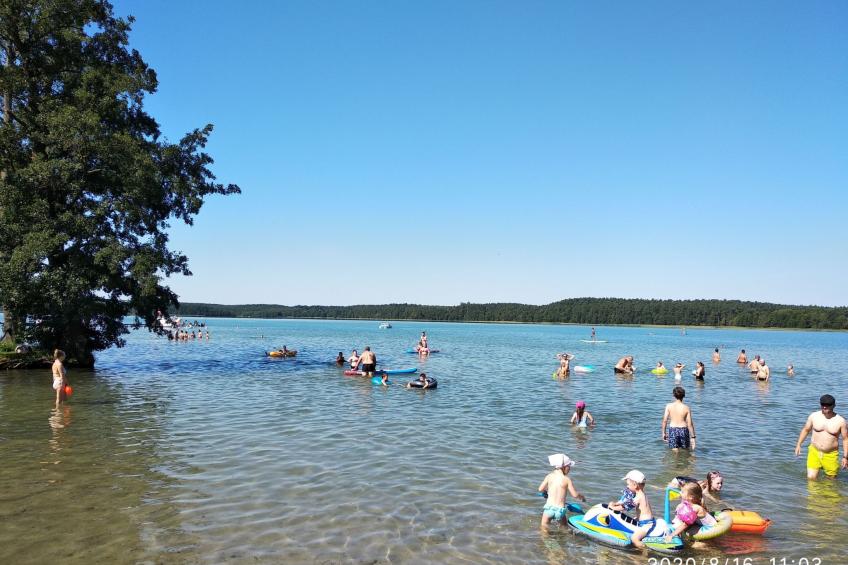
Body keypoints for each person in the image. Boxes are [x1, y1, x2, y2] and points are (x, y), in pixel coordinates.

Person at [794, 394, 848, 480]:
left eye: (828, 405)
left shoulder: (841, 421)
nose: (825, 407)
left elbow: (845, 439)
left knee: (830, 482)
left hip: (831, 454)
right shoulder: (814, 416)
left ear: (834, 405)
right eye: (823, 405)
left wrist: (845, 457)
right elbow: (806, 430)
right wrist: (798, 444)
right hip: (814, 452)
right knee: (811, 479)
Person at [608, 470, 654, 548]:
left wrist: (613, 507)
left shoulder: (639, 497)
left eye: (628, 485)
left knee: (634, 538)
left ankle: (644, 552)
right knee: (632, 520)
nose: (627, 487)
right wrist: (616, 503)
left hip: (646, 525)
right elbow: (626, 501)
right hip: (644, 521)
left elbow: (625, 507)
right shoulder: (640, 494)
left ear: (635, 485)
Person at [538, 453, 586, 528]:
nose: (569, 468)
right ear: (564, 467)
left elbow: (540, 489)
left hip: (548, 509)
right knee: (564, 528)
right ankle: (565, 538)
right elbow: (575, 495)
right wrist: (582, 497)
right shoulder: (566, 479)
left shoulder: (549, 476)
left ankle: (546, 539)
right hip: (560, 511)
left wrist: (546, 492)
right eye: (569, 466)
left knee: (544, 527)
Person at [662, 386, 696, 451]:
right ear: (684, 396)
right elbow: (690, 424)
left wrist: (663, 433)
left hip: (673, 430)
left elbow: (664, 421)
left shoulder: (668, 406)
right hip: (683, 430)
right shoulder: (686, 407)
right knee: (685, 450)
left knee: (675, 451)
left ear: (673, 395)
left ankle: (676, 461)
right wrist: (693, 437)